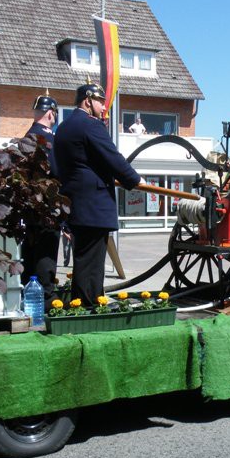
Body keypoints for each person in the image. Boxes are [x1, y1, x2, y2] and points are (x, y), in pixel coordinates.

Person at [54, 83, 141, 307]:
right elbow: (112, 157)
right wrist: (135, 180)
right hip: (93, 203)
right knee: (92, 259)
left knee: (84, 258)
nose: (104, 108)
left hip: (75, 201)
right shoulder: (90, 125)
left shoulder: (64, 127)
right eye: (101, 102)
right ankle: (90, 303)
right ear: (87, 100)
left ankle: (82, 301)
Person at [20, 94, 61, 308]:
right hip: (48, 205)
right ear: (51, 113)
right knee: (46, 253)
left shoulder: (26, 138)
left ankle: (29, 292)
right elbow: (56, 171)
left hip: (30, 206)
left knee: (30, 251)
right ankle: (45, 296)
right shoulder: (47, 139)